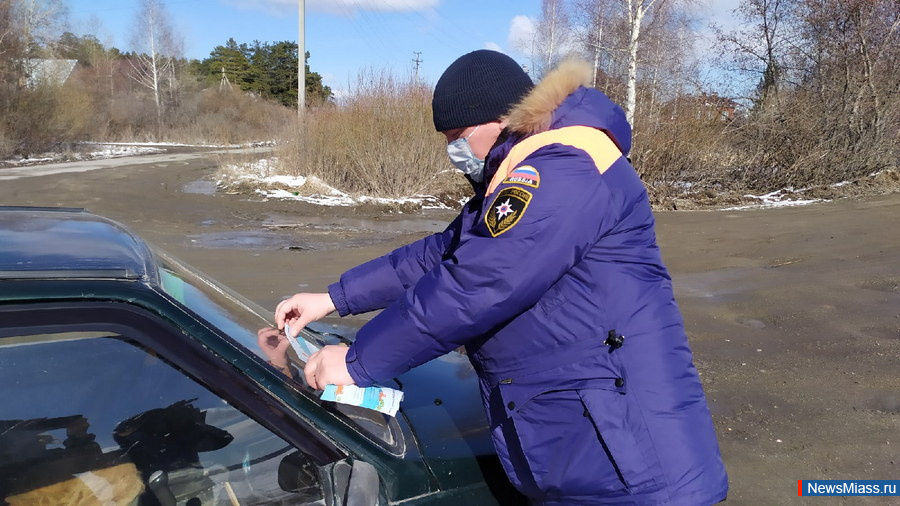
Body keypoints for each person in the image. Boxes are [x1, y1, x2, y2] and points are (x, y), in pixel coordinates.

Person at [275, 49, 728, 505]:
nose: (453, 152)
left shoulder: (563, 168)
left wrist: (358, 362)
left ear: (500, 119)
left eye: (458, 136)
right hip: (587, 442)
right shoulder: (522, 172)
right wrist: (335, 297)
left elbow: (476, 284)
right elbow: (440, 256)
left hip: (629, 458)